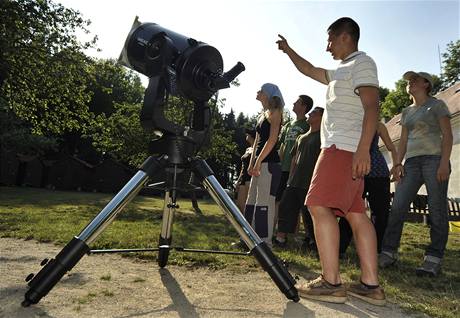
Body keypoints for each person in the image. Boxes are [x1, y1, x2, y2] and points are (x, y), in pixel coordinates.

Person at [277, 17, 385, 305]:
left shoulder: (361, 63)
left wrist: (364, 149)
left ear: (345, 37)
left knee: (316, 205)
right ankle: (370, 286)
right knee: (356, 215)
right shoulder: (341, 71)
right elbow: (310, 69)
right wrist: (289, 51)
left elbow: (372, 105)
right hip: (348, 149)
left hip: (342, 148)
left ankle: (330, 282)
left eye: (329, 40)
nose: (327, 47)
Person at [379, 71, 453, 277]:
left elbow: (447, 135)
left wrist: (444, 163)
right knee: (398, 207)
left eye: (415, 80)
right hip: (411, 164)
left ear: (426, 84)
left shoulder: (437, 106)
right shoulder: (406, 112)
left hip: (434, 160)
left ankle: (433, 259)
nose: (410, 82)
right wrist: (397, 164)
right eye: (409, 80)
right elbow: (402, 141)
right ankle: (388, 252)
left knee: (437, 210)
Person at [339, 121, 398, 256]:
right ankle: (339, 247)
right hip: (358, 171)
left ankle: (376, 250)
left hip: (378, 172)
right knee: (349, 209)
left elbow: (391, 147)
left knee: (380, 212)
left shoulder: (378, 125)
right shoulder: (352, 123)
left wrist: (396, 165)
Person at [274, 107, 323, 249]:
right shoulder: (301, 137)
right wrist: (290, 179)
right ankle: (280, 239)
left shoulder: (323, 137)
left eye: (313, 113)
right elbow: (294, 159)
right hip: (294, 181)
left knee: (309, 214)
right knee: (285, 207)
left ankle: (314, 242)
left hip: (311, 182)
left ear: (321, 118)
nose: (309, 114)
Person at [244, 83, 283, 247]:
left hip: (269, 164)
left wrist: (259, 161)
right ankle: (247, 238)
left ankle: (264, 243)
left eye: (261, 90)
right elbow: (258, 141)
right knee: (251, 201)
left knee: (264, 203)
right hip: (259, 164)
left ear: (267, 94)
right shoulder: (262, 115)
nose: (257, 92)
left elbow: (272, 140)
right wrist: (252, 161)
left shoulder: (276, 113)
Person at [274, 95, 313, 232]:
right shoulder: (288, 125)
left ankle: (294, 233)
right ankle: (280, 230)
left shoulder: (308, 125)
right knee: (279, 200)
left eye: (297, 102)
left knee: (296, 202)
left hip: (298, 171)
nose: (294, 103)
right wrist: (278, 164)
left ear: (304, 107)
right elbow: (283, 146)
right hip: (283, 168)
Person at [235, 128, 256, 213]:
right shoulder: (248, 149)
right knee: (240, 205)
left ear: (252, 136)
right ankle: (243, 224)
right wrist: (238, 180)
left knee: (248, 205)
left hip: (250, 178)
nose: (246, 135)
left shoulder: (257, 149)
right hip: (243, 178)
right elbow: (243, 167)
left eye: (248, 134)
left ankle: (249, 224)